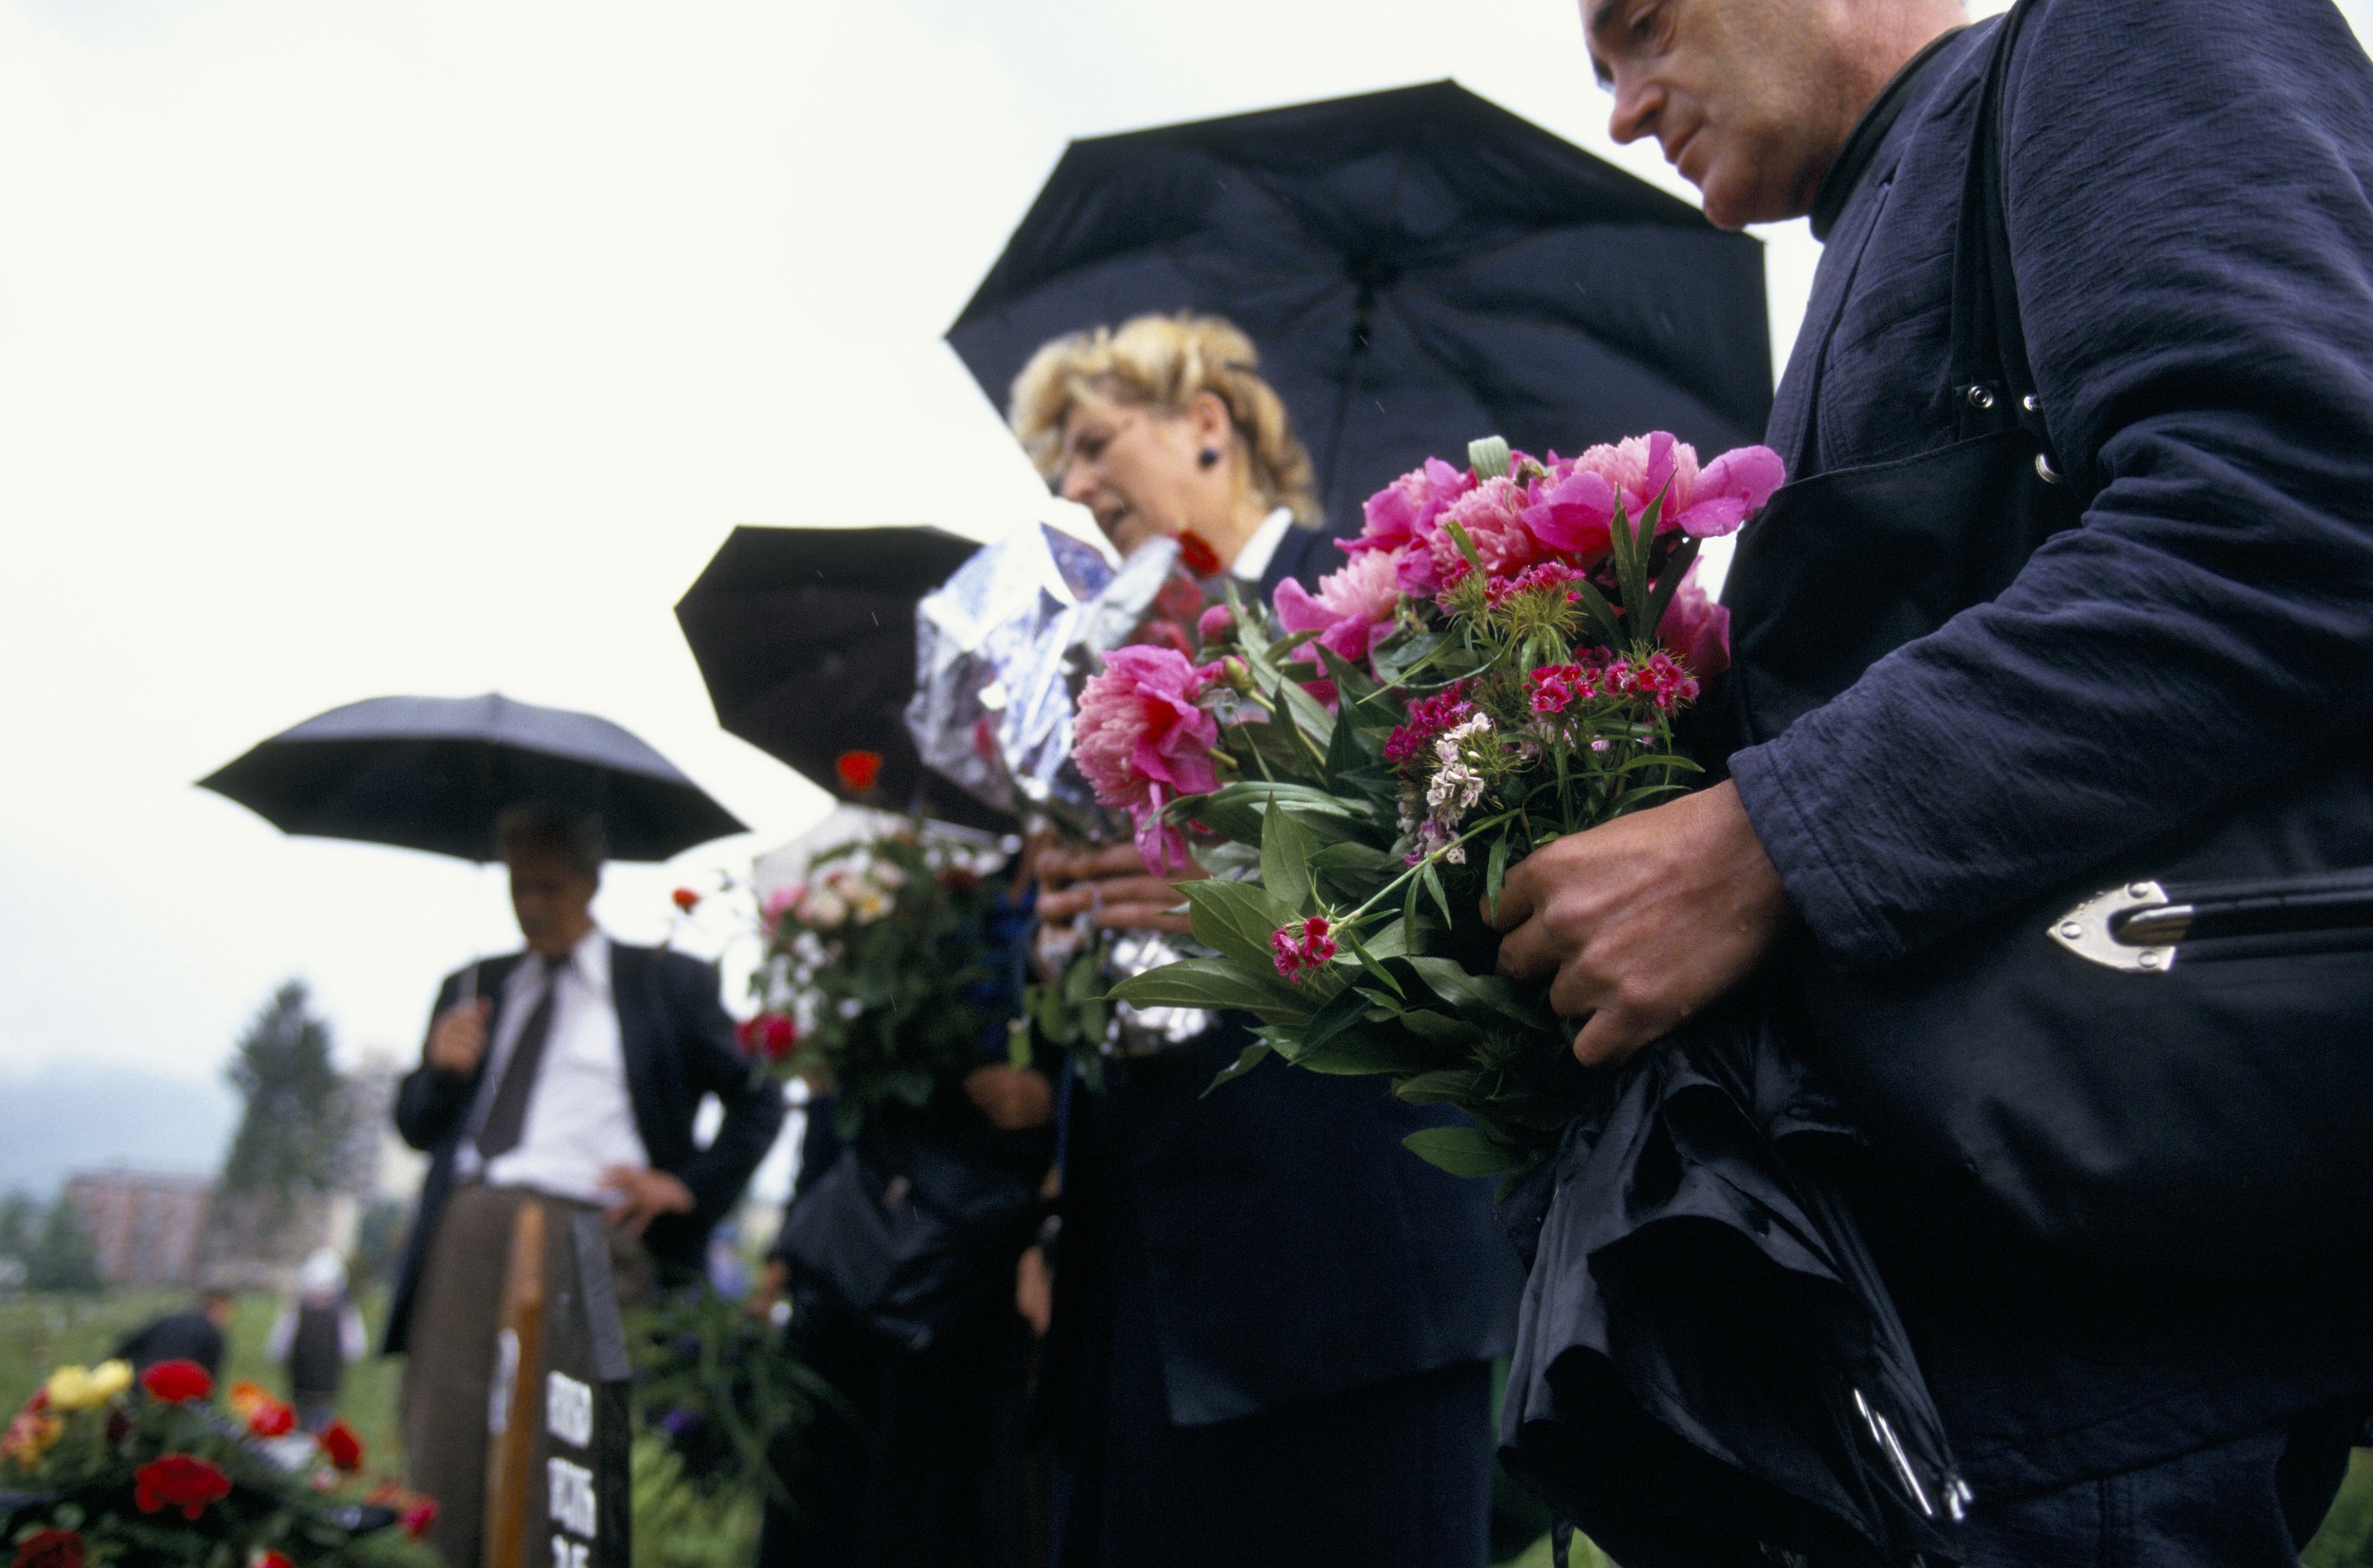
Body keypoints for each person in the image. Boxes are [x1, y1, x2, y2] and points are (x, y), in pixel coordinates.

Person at [1490, 0, 2373, 1561]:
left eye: (1639, 29)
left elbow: (2298, 499)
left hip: (2109, 1317)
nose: (1625, 109)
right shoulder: (1896, 210)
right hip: (1981, 1324)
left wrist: (1765, 839)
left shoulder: (2130, 33)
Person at [1008, 312, 1523, 1568]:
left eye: (1088, 444)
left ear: (1203, 424)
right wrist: (1066, 934)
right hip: (1134, 1308)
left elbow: (1486, 879)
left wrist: (1231, 891)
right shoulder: (1091, 674)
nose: (1073, 488)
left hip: (1349, 1287)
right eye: (1054, 473)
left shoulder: (1393, 603)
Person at [386, 803, 786, 1568]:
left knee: (561, 1454)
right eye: (518, 885)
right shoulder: (474, 988)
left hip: (594, 1232)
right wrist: (438, 1069)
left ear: (591, 880)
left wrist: (689, 1187)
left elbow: (759, 1095)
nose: (532, 903)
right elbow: (415, 1123)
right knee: (444, 1443)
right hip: (470, 1226)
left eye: (548, 884)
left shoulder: (666, 982)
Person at [264, 1248, 366, 1431]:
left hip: (303, 1386)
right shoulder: (343, 1313)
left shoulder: (297, 1311)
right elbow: (353, 1350)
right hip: (323, 1387)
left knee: (306, 1432)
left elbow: (279, 1349)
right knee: (316, 1434)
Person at [115, 1288, 234, 1381]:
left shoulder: (168, 1320)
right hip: (179, 1402)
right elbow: (208, 1380)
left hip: (144, 1390)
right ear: (219, 1307)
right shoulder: (213, 1335)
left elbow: (126, 1347)